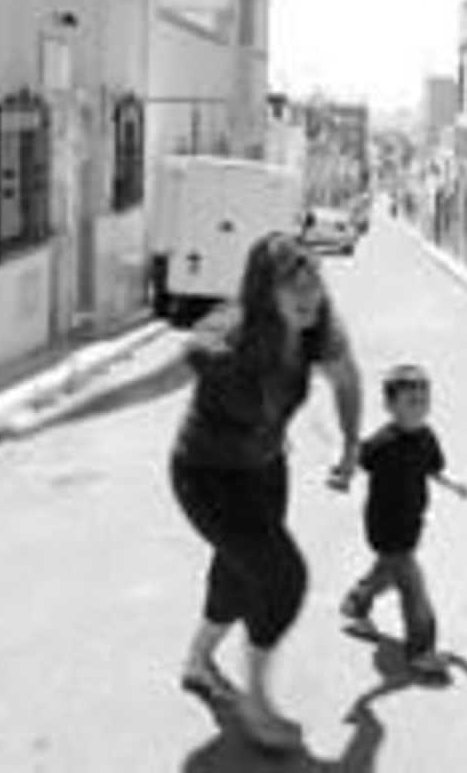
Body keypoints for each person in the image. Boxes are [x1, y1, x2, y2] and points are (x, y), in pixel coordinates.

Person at [170, 232, 363, 752]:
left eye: (315, 285)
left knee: (237, 576)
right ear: (263, 293)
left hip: (264, 469)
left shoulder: (317, 328)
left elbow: (347, 379)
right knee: (282, 577)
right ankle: (257, 703)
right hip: (205, 475)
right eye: (294, 287)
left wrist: (349, 445)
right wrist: (27, 420)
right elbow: (142, 383)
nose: (310, 297)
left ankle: (197, 663)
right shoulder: (226, 341)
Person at [340, 364, 467, 678]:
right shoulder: (383, 442)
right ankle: (421, 651)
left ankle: (356, 606)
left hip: (411, 524)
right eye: (412, 401)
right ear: (390, 406)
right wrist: (341, 472)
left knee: (385, 572)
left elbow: (433, 468)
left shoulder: (426, 437)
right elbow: (358, 456)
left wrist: (453, 484)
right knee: (414, 589)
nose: (421, 407)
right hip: (385, 527)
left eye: (425, 400)